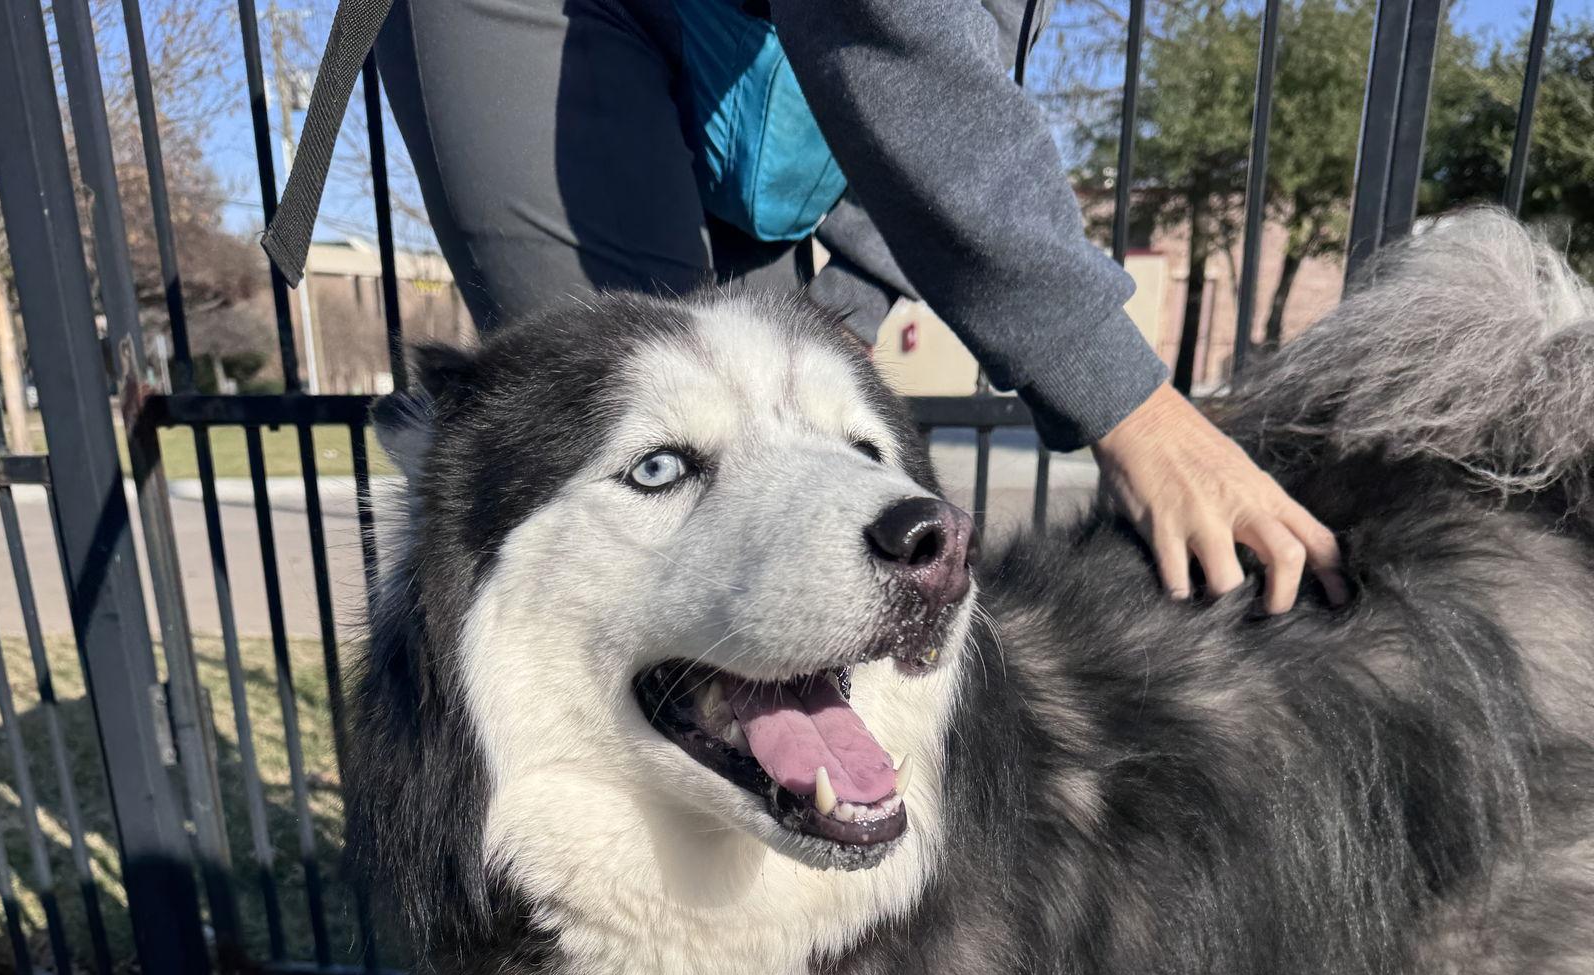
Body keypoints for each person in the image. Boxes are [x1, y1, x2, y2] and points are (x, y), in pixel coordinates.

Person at [267, 0, 1344, 611]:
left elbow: (950, 82)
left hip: (784, 47)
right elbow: (890, 34)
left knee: (783, 497)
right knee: (650, 479)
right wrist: (1133, 410)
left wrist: (846, 313)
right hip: (554, 17)